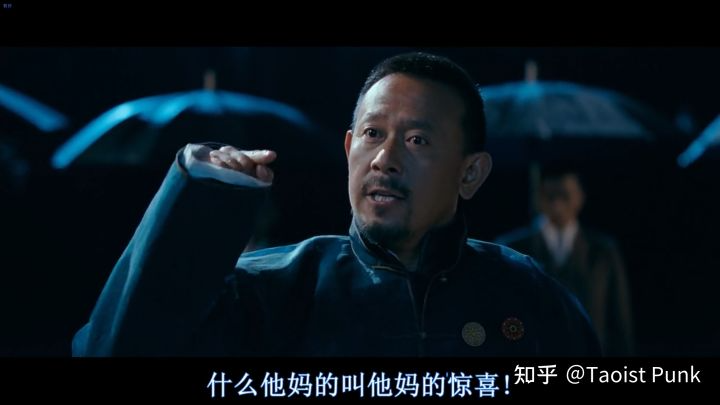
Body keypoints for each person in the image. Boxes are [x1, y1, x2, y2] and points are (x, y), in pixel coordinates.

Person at [73, 52, 600, 356]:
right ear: (349, 150)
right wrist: (199, 198)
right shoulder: (270, 289)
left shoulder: (527, 293)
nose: (385, 160)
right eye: (372, 134)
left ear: (470, 173)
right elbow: (112, 348)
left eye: (417, 140)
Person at [496, 163, 634, 356]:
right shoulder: (510, 249)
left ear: (580, 197)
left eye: (565, 195)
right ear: (537, 197)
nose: (557, 203)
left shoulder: (603, 251)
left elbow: (620, 321)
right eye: (549, 195)